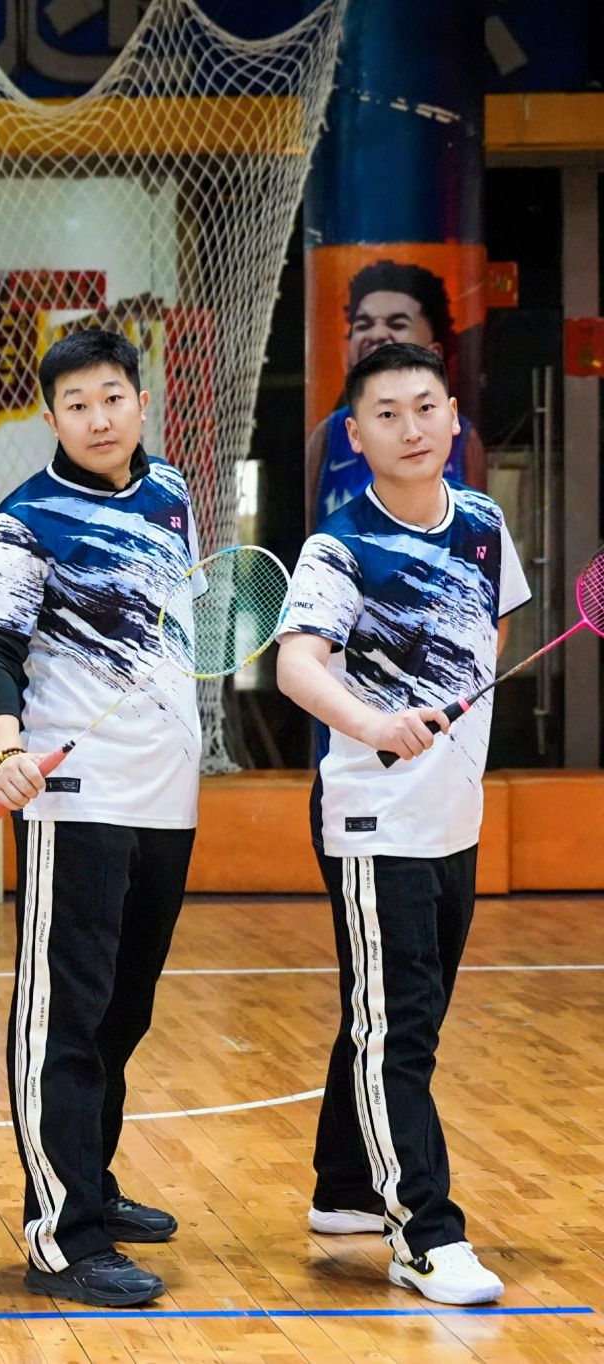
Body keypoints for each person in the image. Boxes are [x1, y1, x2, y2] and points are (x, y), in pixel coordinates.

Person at [277, 341, 527, 1306]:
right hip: (375, 818)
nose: (411, 428)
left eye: (426, 407)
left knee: (389, 1014)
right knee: (401, 1028)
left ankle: (344, 1186)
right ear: (356, 435)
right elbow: (298, 665)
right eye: (387, 414)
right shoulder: (341, 546)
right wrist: (376, 723)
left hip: (453, 815)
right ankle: (424, 1232)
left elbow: (493, 628)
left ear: (454, 417)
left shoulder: (483, 523)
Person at [0, 328, 198, 1308]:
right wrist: (3, 751)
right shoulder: (24, 522)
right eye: (76, 404)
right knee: (64, 1013)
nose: (98, 418)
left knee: (125, 1007)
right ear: (51, 416)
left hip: (167, 793)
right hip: (76, 796)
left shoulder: (171, 493)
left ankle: (89, 1181)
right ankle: (62, 1234)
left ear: (139, 400)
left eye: (112, 397)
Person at [306, 260, 485, 530]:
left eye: (397, 323)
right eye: (364, 324)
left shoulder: (467, 447)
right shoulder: (325, 437)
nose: (377, 334)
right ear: (355, 433)